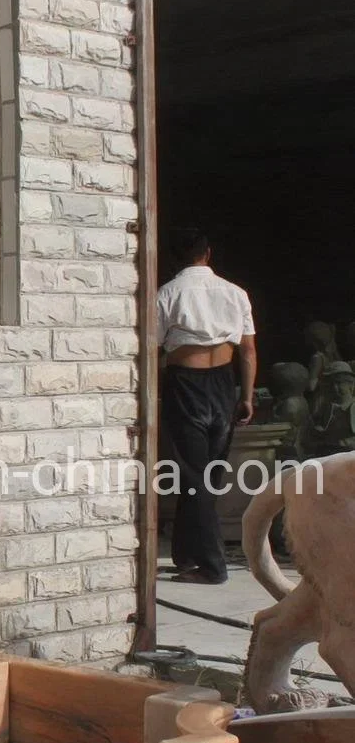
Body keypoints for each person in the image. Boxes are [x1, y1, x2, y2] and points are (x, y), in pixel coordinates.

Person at [157, 228, 257, 585]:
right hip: (222, 385)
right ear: (208, 254)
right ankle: (187, 556)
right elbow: (247, 350)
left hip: (186, 384)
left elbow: (152, 349)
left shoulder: (168, 293)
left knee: (194, 476)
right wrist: (245, 396)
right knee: (205, 477)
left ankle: (212, 567)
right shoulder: (235, 293)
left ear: (174, 258)